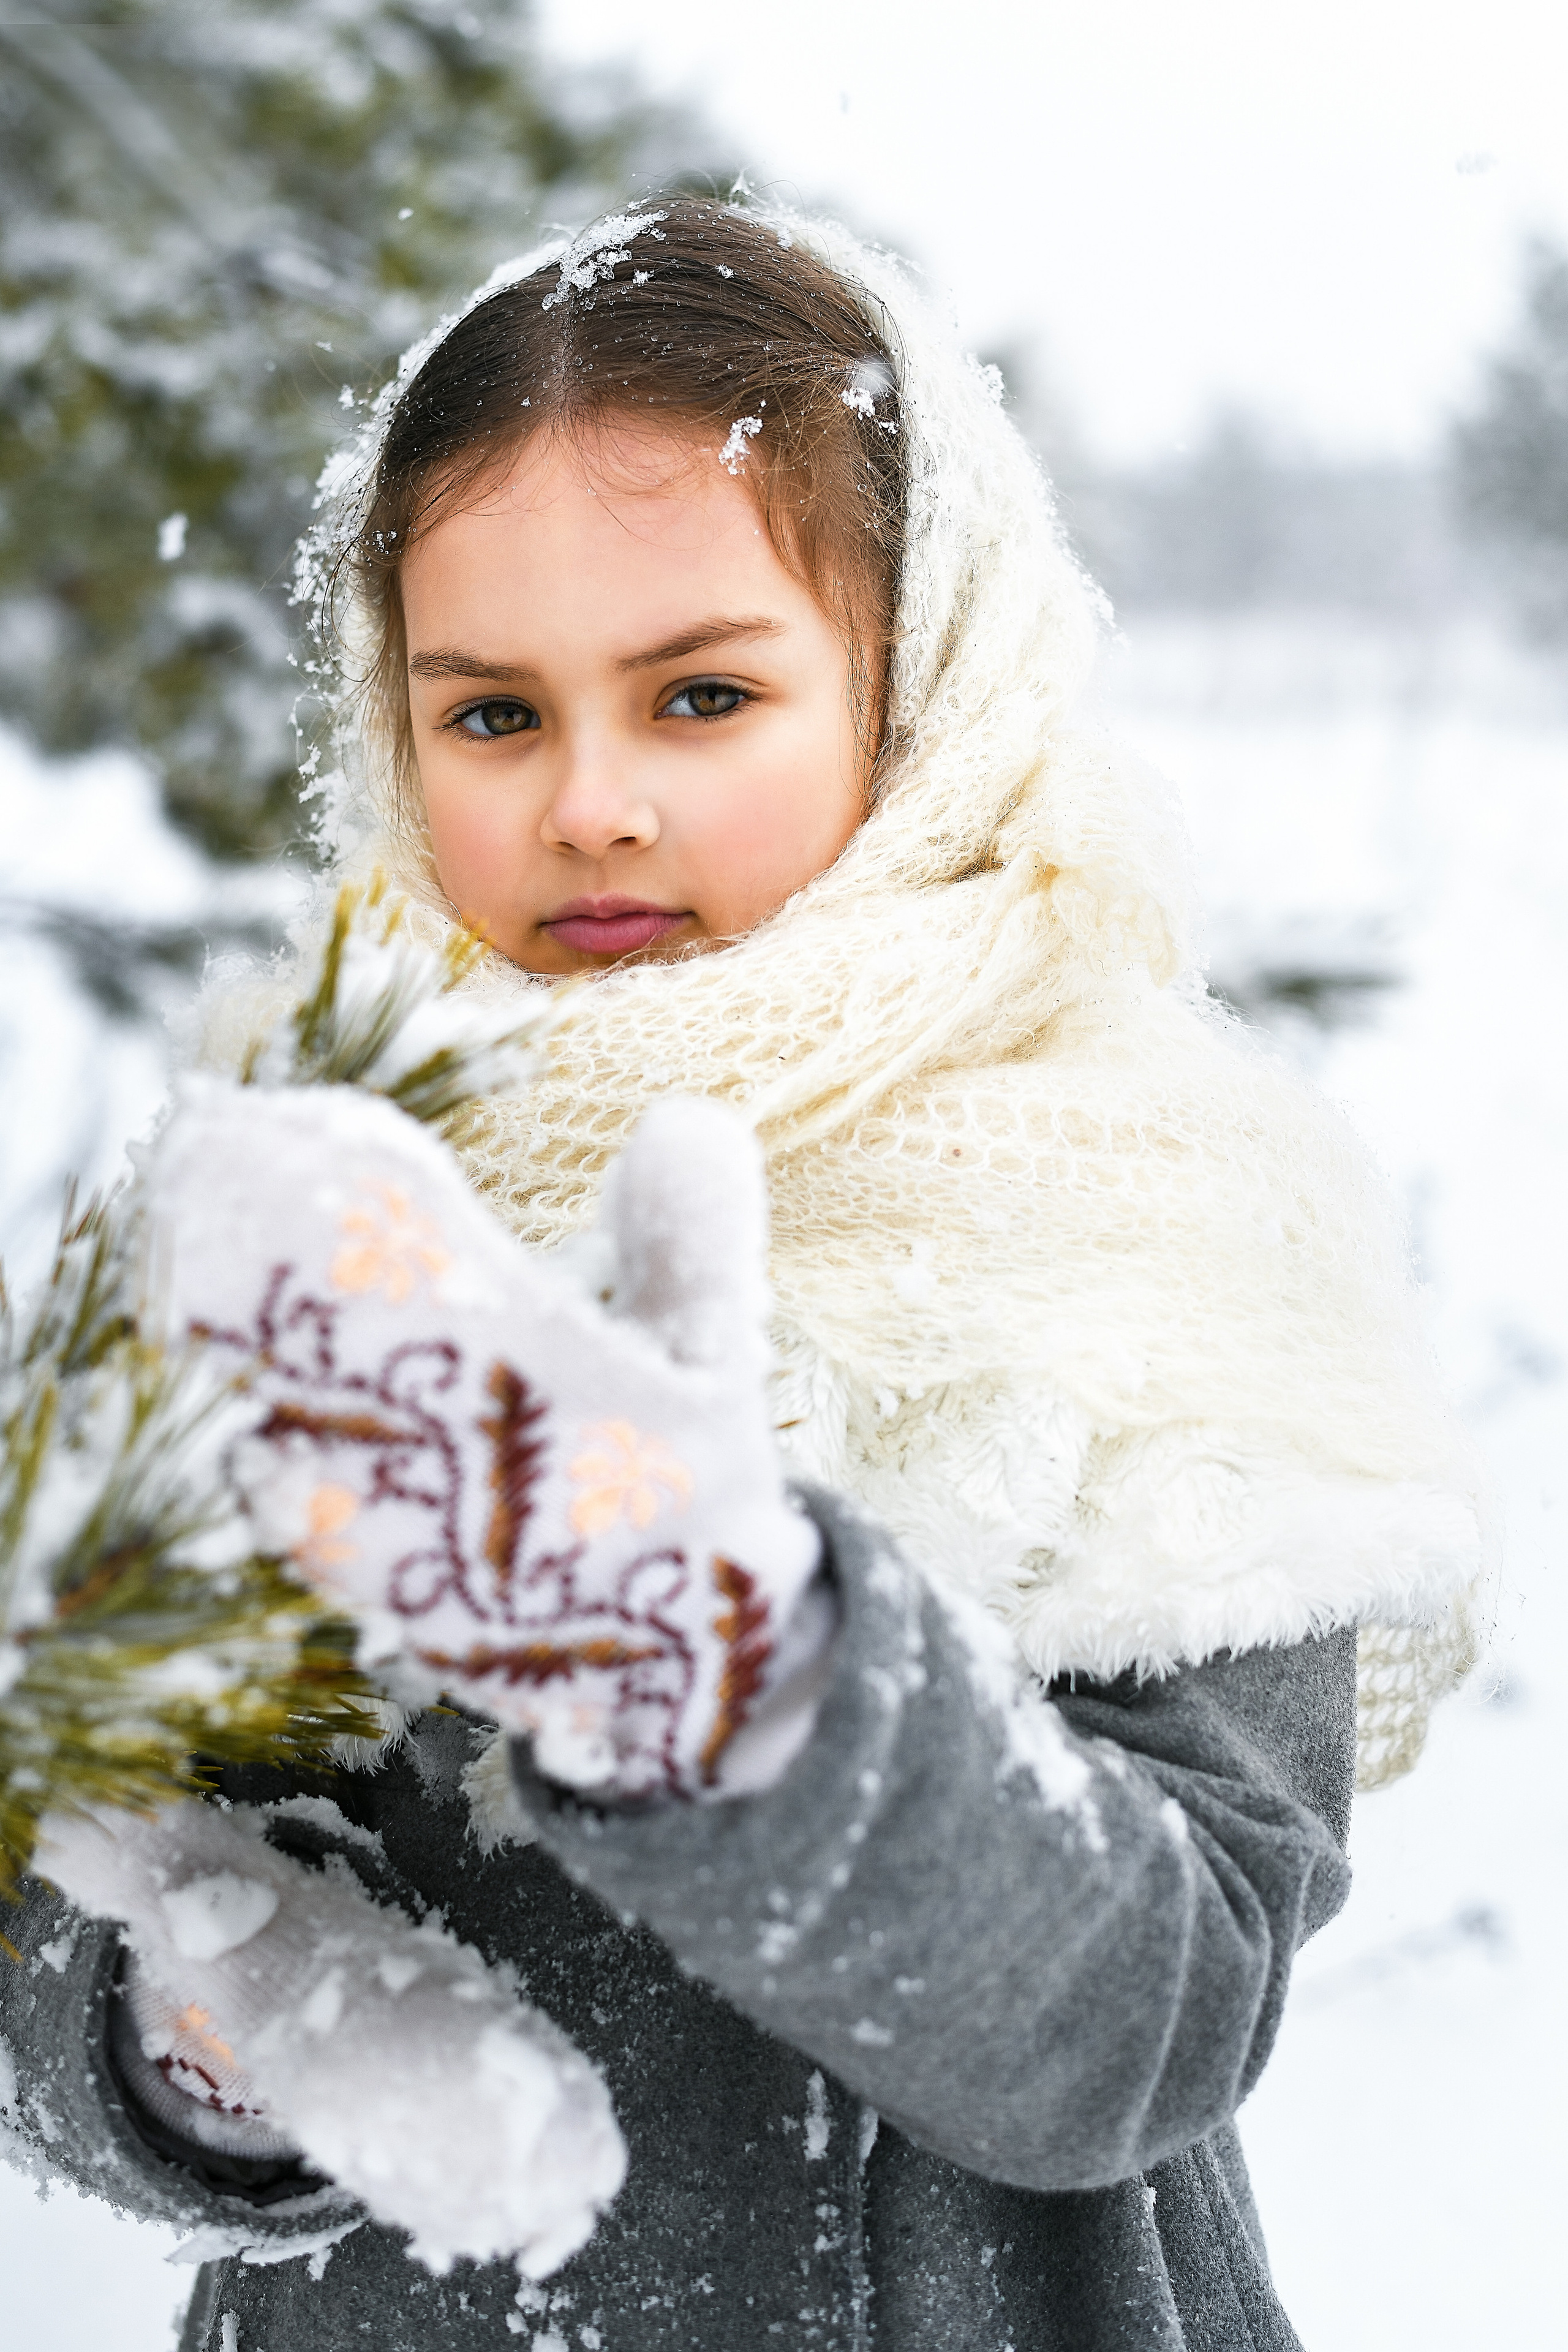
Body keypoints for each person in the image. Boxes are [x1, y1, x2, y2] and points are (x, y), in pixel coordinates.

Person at [1, 197, 1485, 2352]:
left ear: (919, 684)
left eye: (702, 693)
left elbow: (1140, 2026)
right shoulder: (305, 1187)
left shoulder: (1154, 1213)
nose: (592, 802)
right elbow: (62, 1849)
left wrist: (736, 1677)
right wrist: (196, 2033)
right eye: (492, 714)